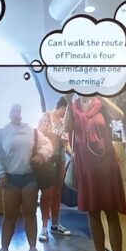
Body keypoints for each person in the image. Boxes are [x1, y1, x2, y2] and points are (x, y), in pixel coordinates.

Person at [66, 94, 126, 251]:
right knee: (92, 214)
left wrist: (102, 95)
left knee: (111, 213)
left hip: (106, 165)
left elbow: (119, 115)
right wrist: (68, 102)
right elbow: (67, 129)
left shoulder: (100, 104)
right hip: (85, 167)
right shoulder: (74, 106)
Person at [0, 103, 53, 251]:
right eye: (14, 110)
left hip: (29, 178)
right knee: (9, 216)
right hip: (10, 180)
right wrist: (0, 174)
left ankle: (33, 249)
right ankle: (4, 250)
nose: (17, 113)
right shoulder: (2, 133)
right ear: (9, 113)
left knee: (30, 214)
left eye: (19, 110)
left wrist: (42, 155)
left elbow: (48, 145)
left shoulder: (32, 131)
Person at [36, 97, 71, 241]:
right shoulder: (47, 116)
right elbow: (39, 135)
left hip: (61, 158)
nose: (66, 114)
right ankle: (44, 227)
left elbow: (66, 144)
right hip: (48, 159)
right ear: (62, 108)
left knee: (57, 192)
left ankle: (55, 224)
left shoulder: (64, 122)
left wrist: (73, 156)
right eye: (66, 111)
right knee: (47, 193)